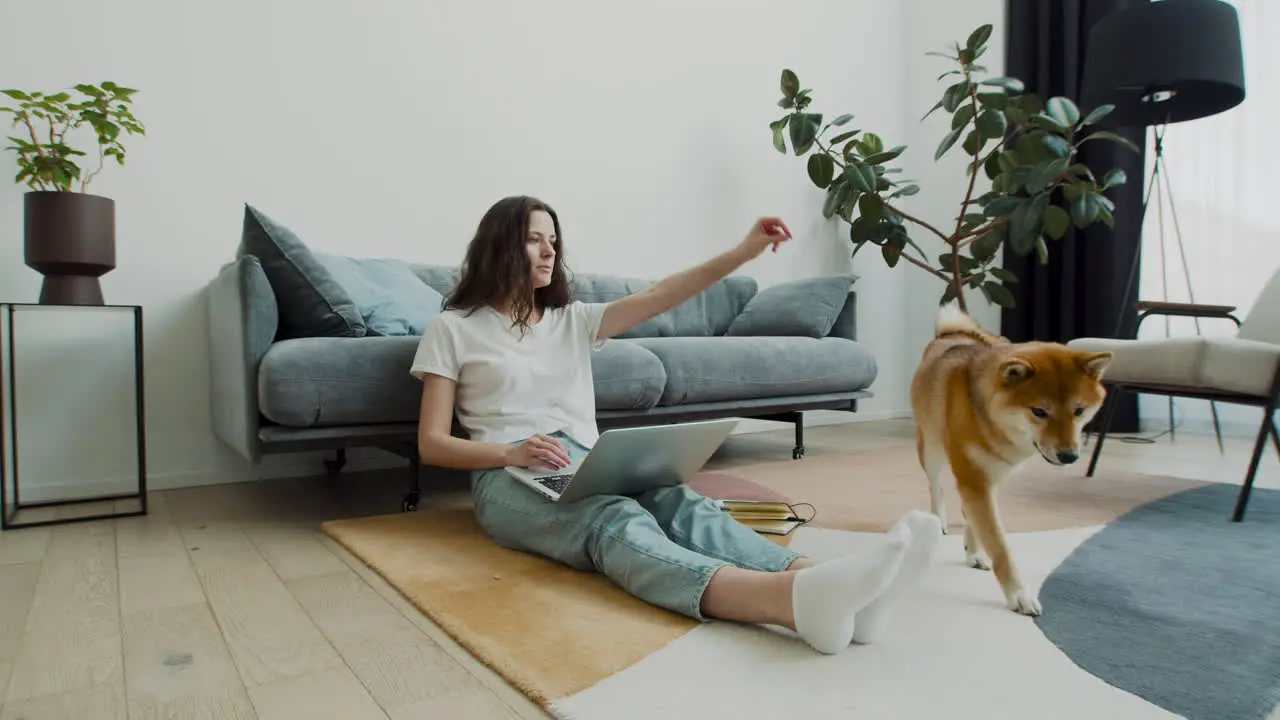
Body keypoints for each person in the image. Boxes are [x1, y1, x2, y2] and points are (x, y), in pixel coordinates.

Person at [411, 195, 941, 655]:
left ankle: (819, 582)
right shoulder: (453, 328)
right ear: (499, 247)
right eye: (534, 240)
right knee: (613, 519)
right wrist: (510, 454)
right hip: (505, 478)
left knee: (677, 499)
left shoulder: (570, 320)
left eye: (553, 240)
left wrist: (744, 251)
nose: (551, 251)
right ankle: (787, 605)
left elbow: (664, 294)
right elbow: (432, 443)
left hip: (585, 461)